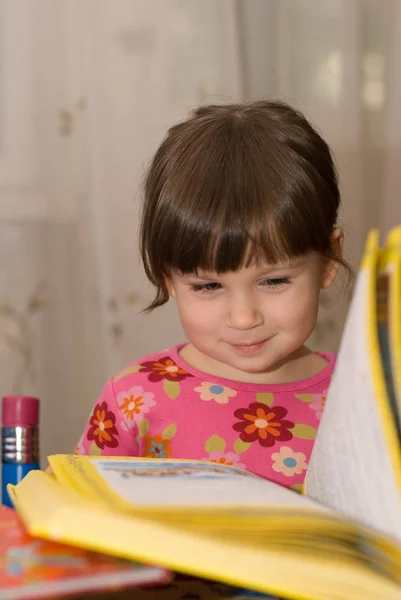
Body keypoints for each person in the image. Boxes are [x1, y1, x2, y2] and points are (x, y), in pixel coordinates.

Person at [74, 100, 351, 491]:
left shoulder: (361, 397)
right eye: (208, 286)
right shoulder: (135, 399)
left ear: (328, 260)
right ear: (167, 277)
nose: (243, 317)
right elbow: (71, 517)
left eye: (273, 281)